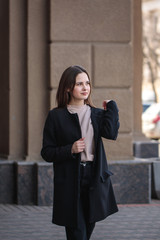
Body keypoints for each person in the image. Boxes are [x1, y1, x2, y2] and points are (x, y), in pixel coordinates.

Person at [41, 65, 120, 240]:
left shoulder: (97, 114)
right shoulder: (56, 116)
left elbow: (111, 133)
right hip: (70, 179)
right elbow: (46, 152)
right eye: (79, 84)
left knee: (87, 229)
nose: (85, 88)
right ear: (68, 87)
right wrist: (70, 149)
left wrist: (112, 108)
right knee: (77, 233)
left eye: (87, 83)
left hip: (94, 177)